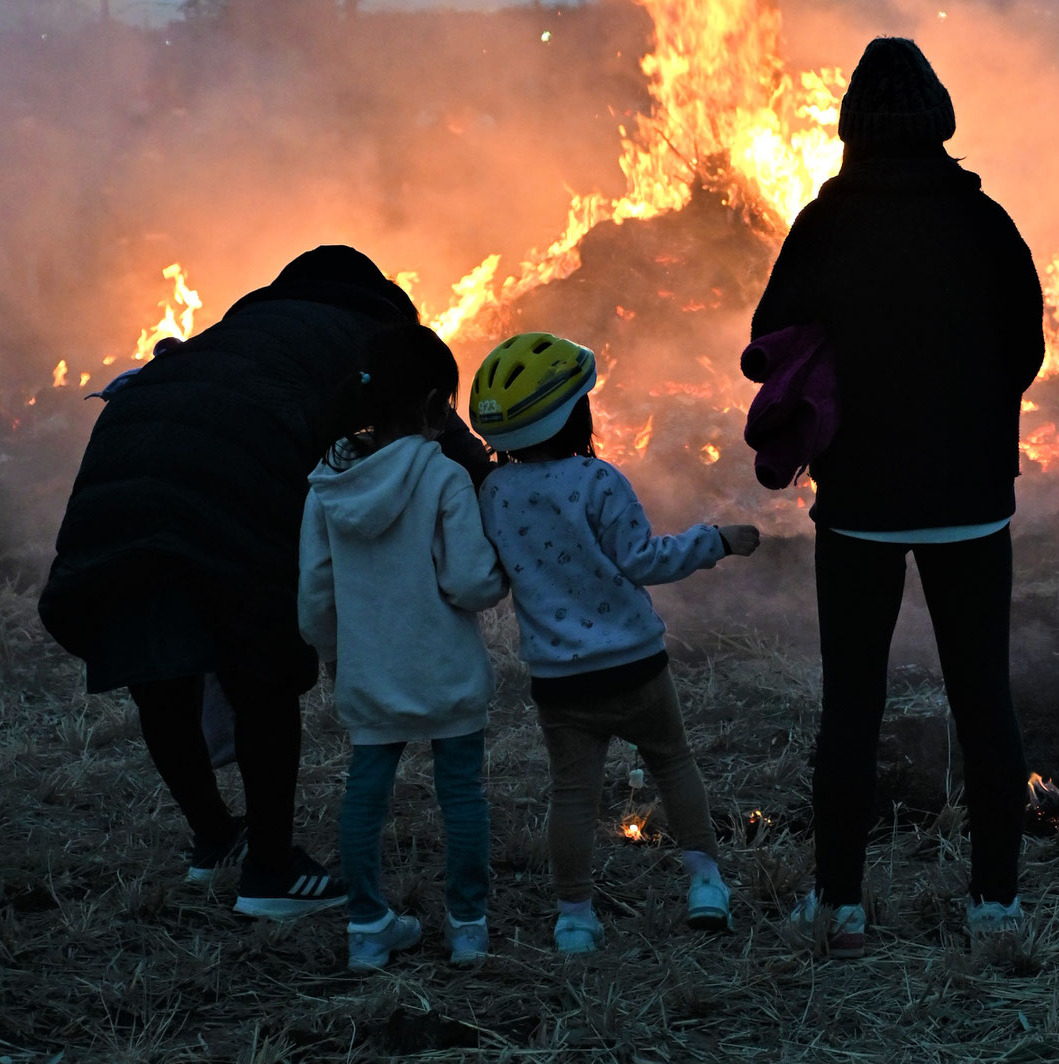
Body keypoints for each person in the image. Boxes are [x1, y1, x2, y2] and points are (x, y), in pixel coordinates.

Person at [38, 244, 491, 919]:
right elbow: (440, 435)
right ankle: (271, 871)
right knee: (263, 671)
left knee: (156, 665)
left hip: (121, 471)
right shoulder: (369, 337)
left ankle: (215, 840)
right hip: (231, 483)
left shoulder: (235, 331)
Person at [749, 38, 1045, 958]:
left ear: (851, 126)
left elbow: (773, 337)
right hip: (971, 501)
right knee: (982, 698)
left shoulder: (823, 224)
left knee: (853, 702)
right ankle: (994, 902)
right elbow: (1027, 347)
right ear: (940, 118)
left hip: (860, 507)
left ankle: (838, 903)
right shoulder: (985, 221)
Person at [470, 332, 760, 954]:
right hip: (635, 666)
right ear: (578, 414)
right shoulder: (598, 480)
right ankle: (707, 884)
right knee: (673, 763)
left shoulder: (493, 492)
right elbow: (644, 560)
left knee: (572, 794)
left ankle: (574, 918)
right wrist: (717, 540)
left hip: (558, 681)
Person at [299, 322, 508, 973]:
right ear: (435, 407)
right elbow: (471, 582)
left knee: (365, 796)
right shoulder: (445, 478)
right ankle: (468, 928)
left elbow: (314, 595)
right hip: (445, 670)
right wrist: (502, 573)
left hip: (370, 673)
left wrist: (335, 653)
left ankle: (367, 929)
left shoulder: (328, 487)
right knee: (462, 796)